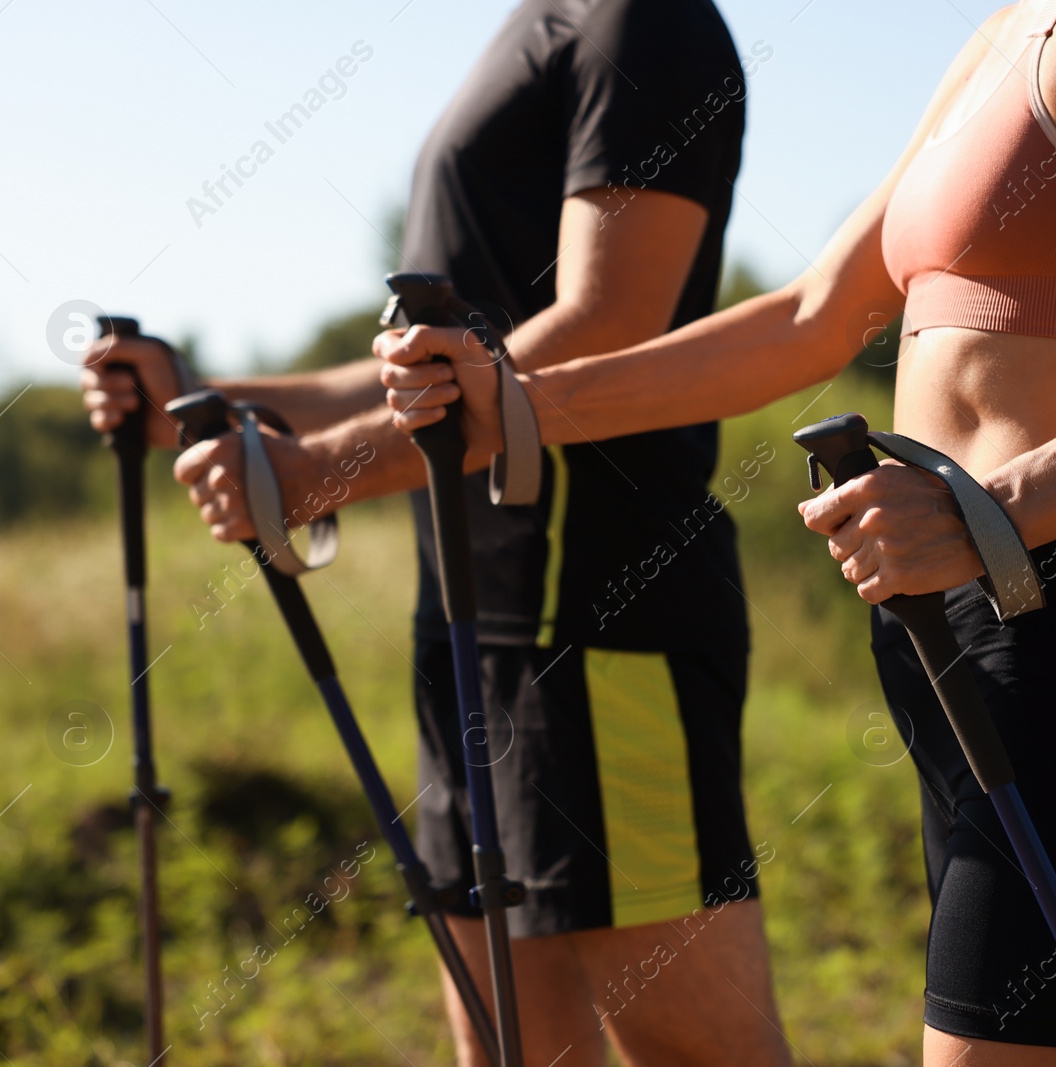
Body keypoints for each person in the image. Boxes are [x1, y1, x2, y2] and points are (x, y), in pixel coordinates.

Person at [378, 0, 1056, 1062]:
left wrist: (992, 508)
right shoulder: (1002, 35)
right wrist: (516, 398)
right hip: (957, 676)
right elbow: (811, 316)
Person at [80, 2, 793, 1065]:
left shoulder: (646, 22)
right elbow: (420, 384)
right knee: (510, 1050)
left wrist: (321, 471)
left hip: (603, 618)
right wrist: (206, 396)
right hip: (468, 622)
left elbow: (606, 324)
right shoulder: (537, 28)